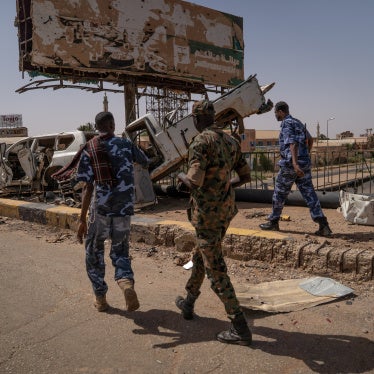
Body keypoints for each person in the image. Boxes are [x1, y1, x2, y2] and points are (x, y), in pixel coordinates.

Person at [176, 100, 252, 346]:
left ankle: (239, 326)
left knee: (215, 268)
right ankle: (188, 302)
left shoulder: (200, 142)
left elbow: (194, 181)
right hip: (225, 211)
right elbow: (246, 175)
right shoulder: (231, 141)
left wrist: (180, 176)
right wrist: (225, 187)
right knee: (202, 254)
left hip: (207, 215)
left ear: (197, 120)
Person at [76, 111, 149, 312]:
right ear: (112, 125)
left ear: (97, 126)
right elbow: (145, 160)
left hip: (100, 209)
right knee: (121, 250)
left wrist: (82, 219)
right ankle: (126, 283)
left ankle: (100, 298)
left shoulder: (90, 148)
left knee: (94, 251)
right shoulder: (126, 144)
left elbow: (87, 187)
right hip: (124, 209)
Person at [259, 101, 332, 236]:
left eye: (275, 112)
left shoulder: (286, 123)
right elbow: (310, 140)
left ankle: (273, 222)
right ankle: (324, 225)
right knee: (309, 194)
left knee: (279, 193)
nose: (275, 115)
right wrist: (305, 156)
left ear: (280, 112)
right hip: (304, 164)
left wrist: (295, 163)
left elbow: (292, 144)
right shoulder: (298, 122)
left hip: (290, 165)